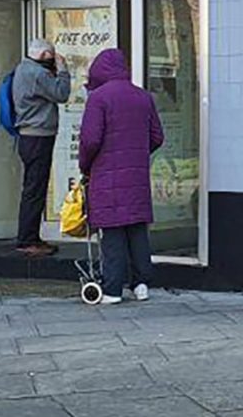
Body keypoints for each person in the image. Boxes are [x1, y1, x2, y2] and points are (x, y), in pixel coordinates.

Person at [76, 48, 166, 304]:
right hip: (137, 175)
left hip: (106, 174)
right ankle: (141, 285)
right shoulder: (143, 97)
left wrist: (86, 166)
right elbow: (157, 137)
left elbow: (90, 140)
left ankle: (113, 289)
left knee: (113, 230)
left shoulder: (98, 98)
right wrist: (137, 153)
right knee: (137, 228)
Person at [11, 39, 71, 256]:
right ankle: (27, 240)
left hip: (28, 137)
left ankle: (30, 237)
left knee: (32, 188)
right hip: (38, 137)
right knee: (35, 190)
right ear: (45, 54)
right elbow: (62, 94)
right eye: (52, 55)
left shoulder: (22, 69)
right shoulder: (38, 74)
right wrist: (63, 70)